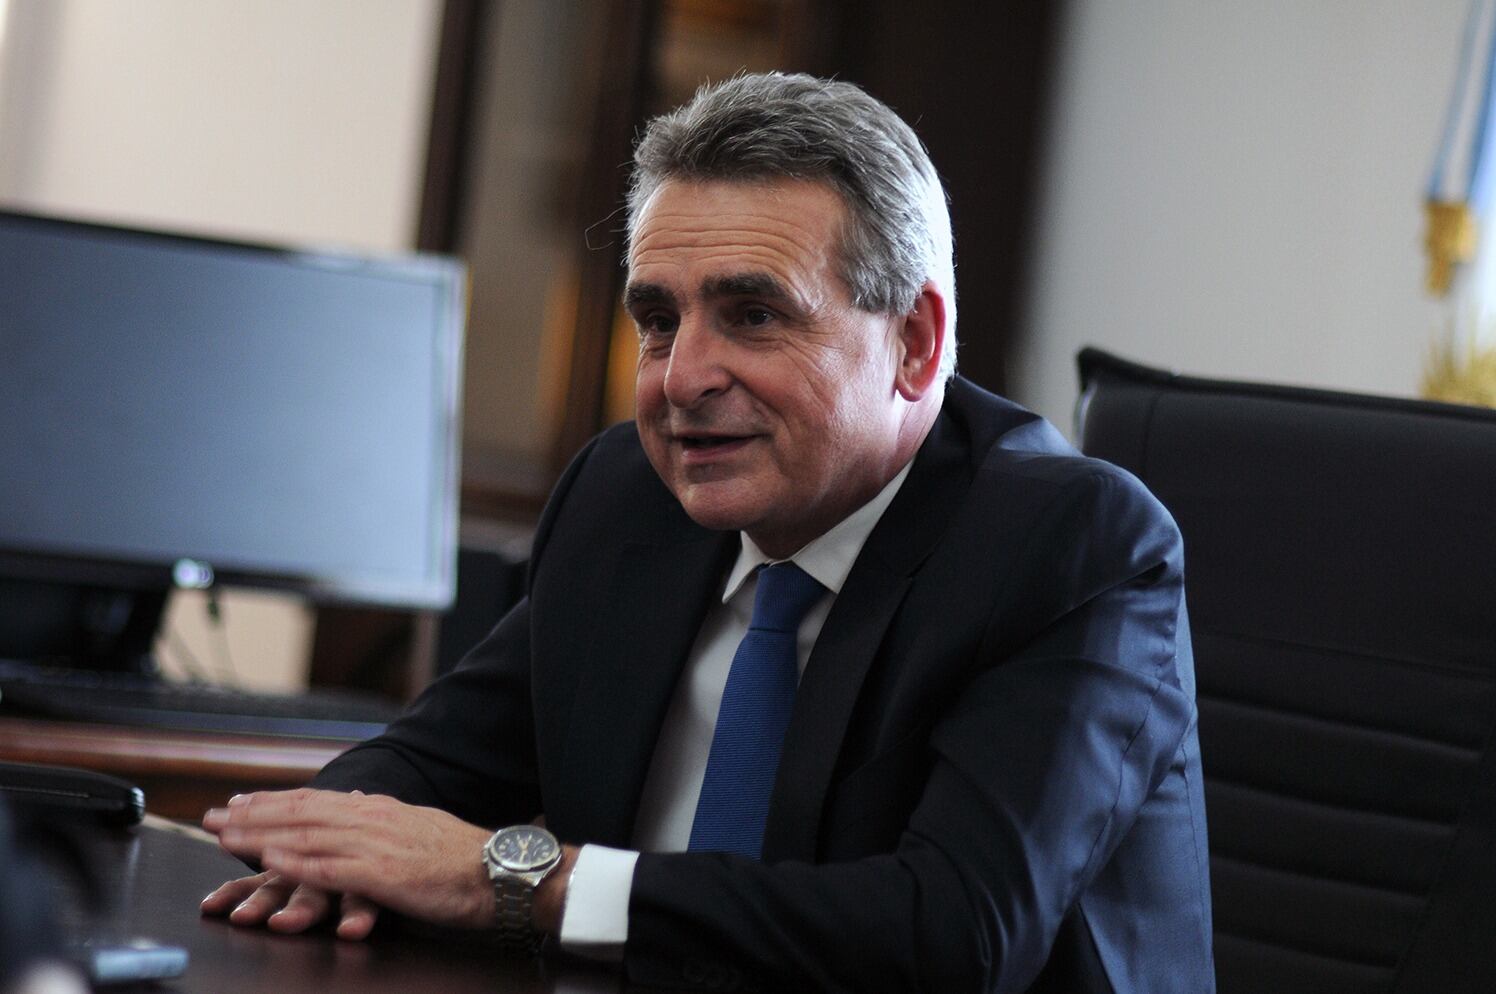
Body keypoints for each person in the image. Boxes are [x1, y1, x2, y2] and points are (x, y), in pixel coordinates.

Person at [201, 72, 1214, 993]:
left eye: (753, 316)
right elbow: (431, 761)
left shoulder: (1068, 545)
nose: (681, 379)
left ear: (913, 342)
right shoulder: (626, 496)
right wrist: (329, 854)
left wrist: (517, 880)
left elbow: (950, 935)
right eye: (658, 320)